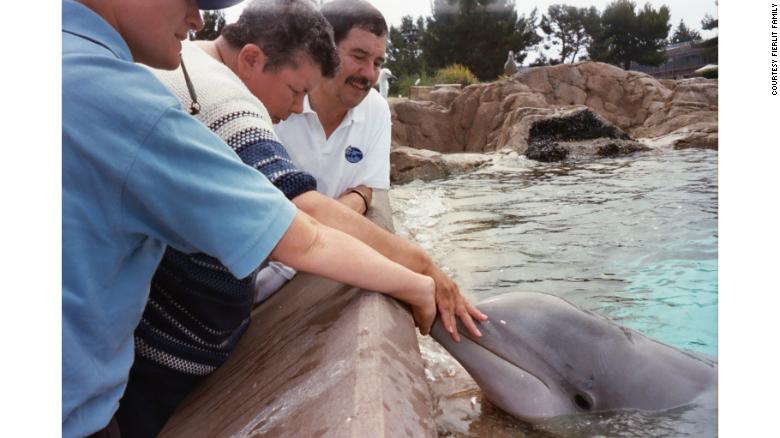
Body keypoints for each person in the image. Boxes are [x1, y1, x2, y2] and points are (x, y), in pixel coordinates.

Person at [63, 1, 436, 436]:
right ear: (251, 60)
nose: (198, 19)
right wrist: (419, 277)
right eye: (188, 0)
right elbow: (301, 231)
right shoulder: (134, 103)